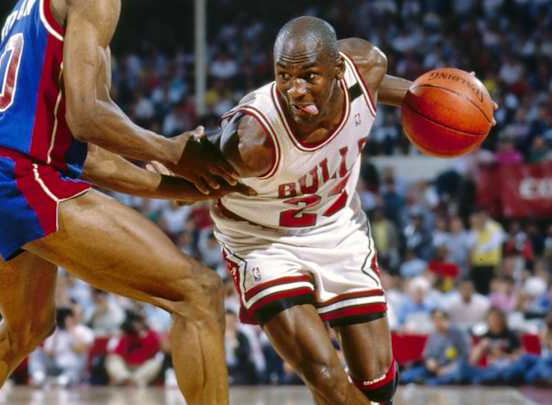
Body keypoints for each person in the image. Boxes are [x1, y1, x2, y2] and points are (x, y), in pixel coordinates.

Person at [153, 16, 486, 404]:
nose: (295, 90)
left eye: (309, 77)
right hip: (262, 241)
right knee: (324, 373)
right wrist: (170, 167)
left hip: (336, 226)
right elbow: (193, 166)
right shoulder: (252, 142)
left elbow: (401, 93)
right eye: (284, 76)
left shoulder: (365, 66)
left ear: (338, 70)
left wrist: (459, 104)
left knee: (378, 383)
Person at [0, 1, 245, 404]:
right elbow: (87, 117)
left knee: (26, 328)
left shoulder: (29, 9)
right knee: (200, 293)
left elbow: (89, 156)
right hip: (18, 175)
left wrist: (183, 186)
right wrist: (174, 152)